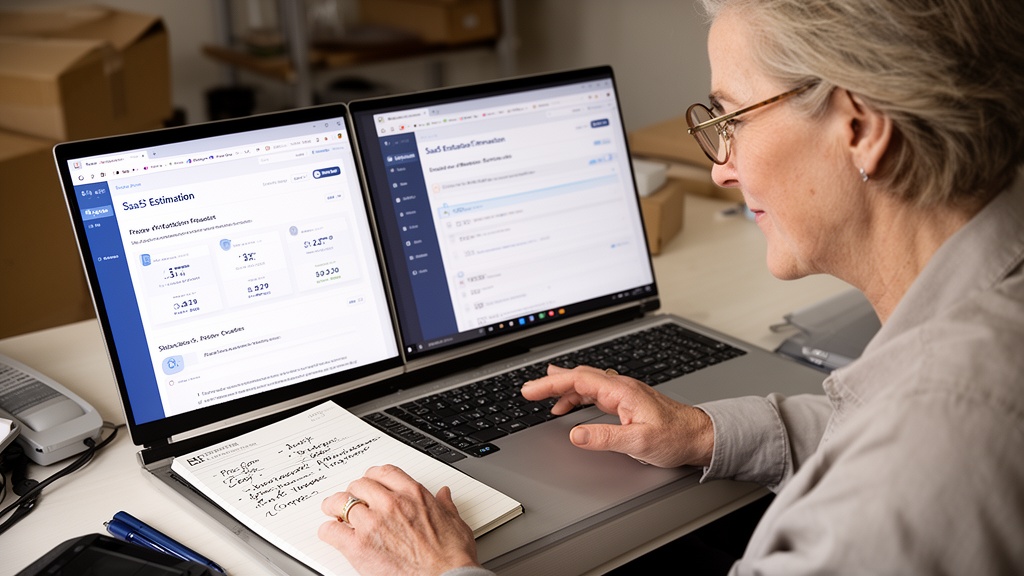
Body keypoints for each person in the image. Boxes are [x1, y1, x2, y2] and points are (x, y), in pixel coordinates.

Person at [318, 0, 1024, 573]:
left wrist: (438, 571)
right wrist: (707, 430)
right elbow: (879, 434)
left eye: (730, 120)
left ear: (860, 127)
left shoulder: (939, 434)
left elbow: (911, 458)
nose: (721, 168)